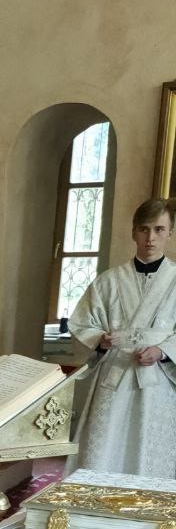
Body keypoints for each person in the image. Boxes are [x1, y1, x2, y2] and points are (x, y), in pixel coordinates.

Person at [69, 197, 176, 475]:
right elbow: (81, 322)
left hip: (158, 383)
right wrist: (100, 340)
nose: (150, 238)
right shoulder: (109, 281)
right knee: (105, 452)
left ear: (170, 233)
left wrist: (163, 351)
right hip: (114, 377)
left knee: (151, 453)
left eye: (159, 229)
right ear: (133, 233)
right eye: (144, 229)